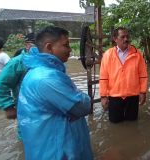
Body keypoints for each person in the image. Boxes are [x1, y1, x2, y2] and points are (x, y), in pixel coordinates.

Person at [17, 26, 93, 159]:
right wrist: (81, 96)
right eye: (66, 45)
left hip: (50, 143)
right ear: (49, 47)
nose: (70, 50)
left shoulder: (41, 71)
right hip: (56, 151)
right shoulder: (47, 78)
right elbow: (83, 106)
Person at [99, 27, 148, 123]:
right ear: (115, 39)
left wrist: (143, 92)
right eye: (122, 37)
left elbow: (143, 75)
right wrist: (103, 96)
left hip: (133, 96)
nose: (126, 39)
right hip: (114, 96)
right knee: (115, 123)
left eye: (127, 36)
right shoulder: (108, 55)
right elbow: (104, 77)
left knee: (132, 123)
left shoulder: (137, 54)